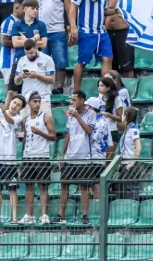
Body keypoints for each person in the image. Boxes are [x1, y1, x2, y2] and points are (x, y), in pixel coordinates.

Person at [71, 0, 116, 85]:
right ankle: (75, 91)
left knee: (108, 58)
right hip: (87, 31)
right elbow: (73, 6)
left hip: (101, 32)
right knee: (82, 62)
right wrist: (73, 27)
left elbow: (104, 11)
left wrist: (117, 11)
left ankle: (106, 88)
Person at [0, 95, 25, 225]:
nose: (14, 105)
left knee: (12, 190)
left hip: (10, 160)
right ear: (11, 102)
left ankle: (14, 218)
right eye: (14, 102)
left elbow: (10, 121)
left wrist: (3, 111)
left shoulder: (19, 118)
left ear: (21, 108)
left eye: (18, 105)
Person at [57, 90, 95, 224]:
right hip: (69, 157)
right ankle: (60, 215)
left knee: (84, 187)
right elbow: (68, 134)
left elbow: (89, 131)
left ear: (82, 100)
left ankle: (85, 215)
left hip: (84, 157)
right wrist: (62, 154)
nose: (72, 102)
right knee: (64, 186)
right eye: (71, 100)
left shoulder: (91, 114)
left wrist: (78, 116)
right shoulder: (70, 115)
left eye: (74, 100)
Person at [20, 92, 56, 225]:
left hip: (41, 155)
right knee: (28, 186)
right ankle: (29, 215)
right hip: (28, 155)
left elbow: (53, 136)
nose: (37, 103)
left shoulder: (46, 116)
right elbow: (25, 137)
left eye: (39, 101)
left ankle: (44, 215)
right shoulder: (25, 119)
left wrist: (40, 132)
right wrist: (21, 138)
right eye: (34, 101)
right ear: (29, 103)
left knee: (43, 186)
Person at [36, 0, 71, 93]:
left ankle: (59, 86)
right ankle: (45, 86)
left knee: (60, 60)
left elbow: (69, 11)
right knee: (43, 60)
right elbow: (35, 10)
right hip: (43, 32)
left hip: (58, 30)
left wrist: (72, 28)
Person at [13, 38, 55, 113]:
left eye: (31, 53)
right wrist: (21, 76)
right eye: (27, 53)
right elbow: (16, 81)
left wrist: (37, 76)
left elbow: (52, 80)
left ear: (36, 48)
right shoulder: (22, 60)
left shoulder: (47, 59)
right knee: (25, 123)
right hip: (26, 98)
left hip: (42, 97)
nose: (30, 55)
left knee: (44, 123)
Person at [106, 0, 134, 78]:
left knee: (126, 64)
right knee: (111, 63)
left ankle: (129, 86)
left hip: (124, 31)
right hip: (108, 31)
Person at [0, 0, 25, 100]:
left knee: (17, 91)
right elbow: (4, 42)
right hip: (8, 60)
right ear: (17, 8)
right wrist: (23, 43)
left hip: (16, 59)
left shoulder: (21, 22)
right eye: (24, 9)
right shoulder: (8, 22)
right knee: (11, 92)